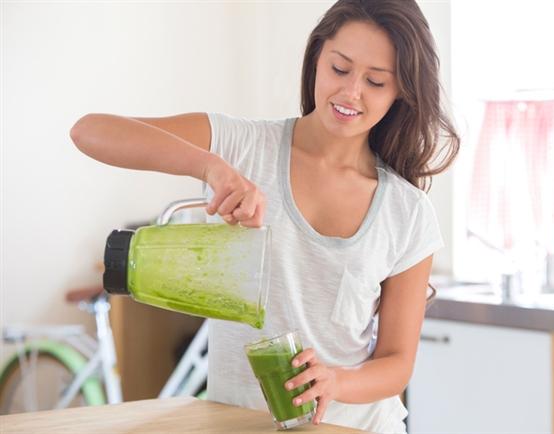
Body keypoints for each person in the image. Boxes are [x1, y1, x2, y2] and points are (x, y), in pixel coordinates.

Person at [70, 0, 459, 432]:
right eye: (340, 69)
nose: (351, 93)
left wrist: (336, 381)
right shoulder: (243, 146)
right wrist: (209, 167)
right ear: (316, 59)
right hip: (238, 421)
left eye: (375, 81)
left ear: (401, 91)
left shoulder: (407, 212)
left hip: (354, 426)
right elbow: (89, 131)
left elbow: (397, 363)